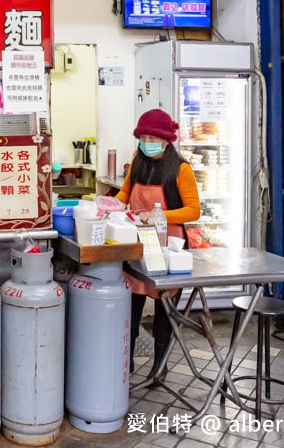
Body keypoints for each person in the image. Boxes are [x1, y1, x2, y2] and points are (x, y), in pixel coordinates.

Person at [115, 109, 200, 375]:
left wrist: (161, 215)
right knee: (132, 304)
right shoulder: (137, 161)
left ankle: (159, 368)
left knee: (164, 306)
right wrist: (108, 207)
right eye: (143, 137)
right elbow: (125, 194)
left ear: (165, 140)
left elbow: (193, 210)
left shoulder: (181, 169)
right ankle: (125, 364)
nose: (147, 142)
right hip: (137, 242)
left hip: (169, 245)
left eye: (152, 137)